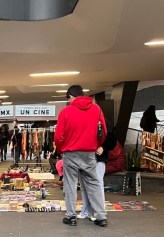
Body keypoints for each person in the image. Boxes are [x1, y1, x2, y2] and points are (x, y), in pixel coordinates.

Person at [54, 85, 108, 227]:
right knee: (93, 183)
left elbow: (58, 136)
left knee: (70, 184)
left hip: (70, 153)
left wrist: (61, 150)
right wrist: (96, 145)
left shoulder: (65, 112)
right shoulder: (96, 109)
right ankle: (101, 217)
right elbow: (104, 131)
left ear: (71, 97)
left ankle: (71, 217)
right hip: (89, 153)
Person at [78, 121, 116, 220]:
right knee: (84, 186)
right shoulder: (85, 122)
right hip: (85, 158)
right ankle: (87, 211)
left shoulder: (105, 124)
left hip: (98, 158)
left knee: (98, 184)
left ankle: (98, 212)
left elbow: (112, 140)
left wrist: (103, 147)